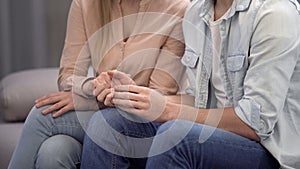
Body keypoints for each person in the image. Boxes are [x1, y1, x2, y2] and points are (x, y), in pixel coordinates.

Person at [80, 0, 300, 168]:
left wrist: (167, 110)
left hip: (269, 152)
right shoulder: (197, 13)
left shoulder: (275, 14)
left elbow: (255, 123)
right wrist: (136, 96)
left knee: (176, 137)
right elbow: (200, 101)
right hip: (213, 134)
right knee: (110, 123)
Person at [8, 0, 190, 168]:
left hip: (145, 123)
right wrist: (93, 86)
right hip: (99, 113)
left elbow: (158, 96)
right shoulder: (86, 4)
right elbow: (68, 76)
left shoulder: (177, 9)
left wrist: (92, 101)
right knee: (54, 151)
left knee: (43, 115)